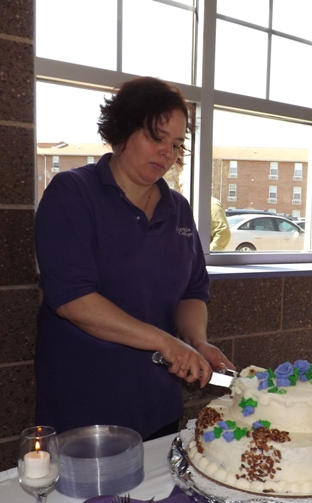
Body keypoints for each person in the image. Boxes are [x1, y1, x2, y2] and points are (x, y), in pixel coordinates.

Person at [34, 76, 234, 441]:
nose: (167, 153)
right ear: (122, 130)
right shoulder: (73, 194)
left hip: (158, 403)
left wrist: (197, 342)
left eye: (176, 144)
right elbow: (73, 300)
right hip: (86, 403)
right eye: (157, 137)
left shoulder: (178, 209)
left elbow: (192, 292)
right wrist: (167, 343)